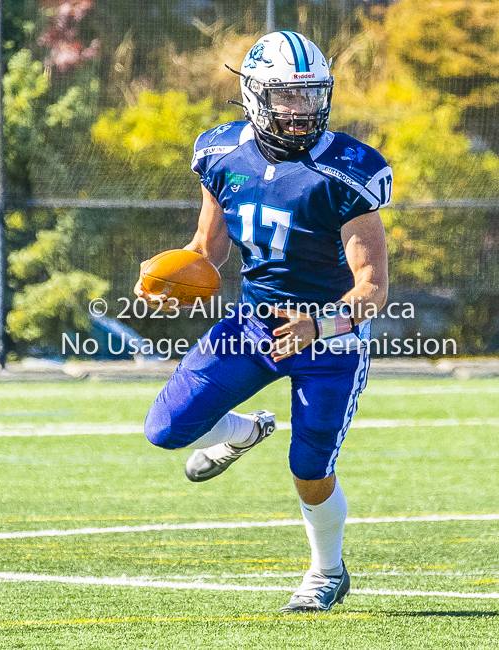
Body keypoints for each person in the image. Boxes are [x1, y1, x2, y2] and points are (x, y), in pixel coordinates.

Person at [134, 31, 391, 612]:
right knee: (166, 428)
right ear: (254, 96)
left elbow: (372, 289)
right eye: (286, 97)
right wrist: (168, 280)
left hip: (329, 338)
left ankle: (327, 572)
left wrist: (319, 326)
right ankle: (243, 432)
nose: (301, 110)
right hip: (253, 323)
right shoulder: (222, 152)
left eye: (310, 95)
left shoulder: (348, 170)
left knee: (311, 466)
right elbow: (207, 248)